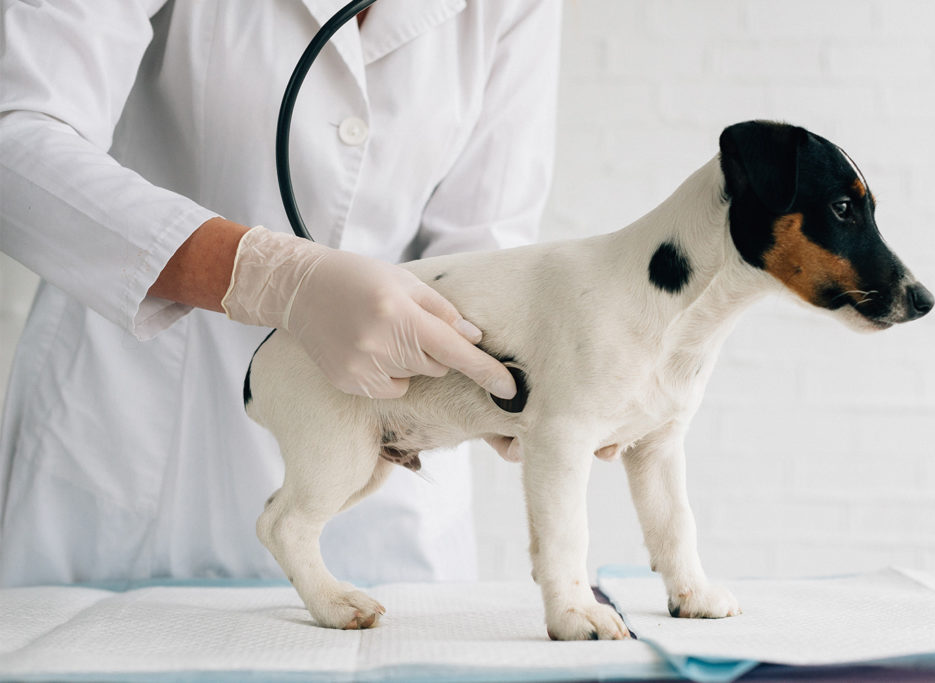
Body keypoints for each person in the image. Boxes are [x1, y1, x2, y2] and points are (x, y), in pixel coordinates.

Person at [0, 0, 561, 587]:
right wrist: (272, 277)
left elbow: (487, 239)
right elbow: (18, 138)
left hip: (384, 483)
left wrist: (511, 369)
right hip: (135, 429)